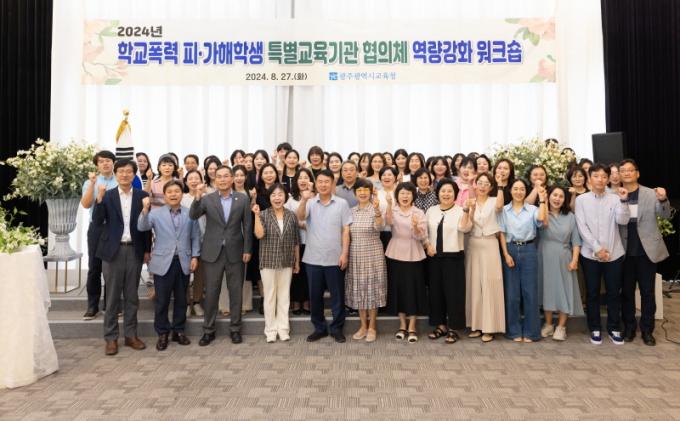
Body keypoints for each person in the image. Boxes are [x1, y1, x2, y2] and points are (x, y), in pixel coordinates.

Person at [93, 159, 151, 356]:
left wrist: (147, 250)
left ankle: (131, 335)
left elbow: (146, 226)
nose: (125, 175)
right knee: (112, 297)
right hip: (113, 251)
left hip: (134, 250)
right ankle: (111, 338)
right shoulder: (107, 195)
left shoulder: (142, 196)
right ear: (116, 174)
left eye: (128, 171)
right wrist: (99, 199)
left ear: (134, 175)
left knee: (132, 296)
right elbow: (97, 221)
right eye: (121, 171)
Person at [189, 165, 253, 345]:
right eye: (219, 176)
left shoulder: (242, 199)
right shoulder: (207, 199)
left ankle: (235, 329)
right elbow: (193, 215)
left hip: (236, 252)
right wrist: (197, 196)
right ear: (215, 179)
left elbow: (247, 226)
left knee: (236, 292)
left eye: (226, 176)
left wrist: (247, 249)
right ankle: (208, 330)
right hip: (212, 253)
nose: (223, 179)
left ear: (232, 179)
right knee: (211, 292)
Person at [138, 181, 200, 350]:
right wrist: (145, 209)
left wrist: (195, 256)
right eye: (170, 192)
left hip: (183, 261)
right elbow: (142, 226)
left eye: (177, 191)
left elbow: (195, 236)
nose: (173, 194)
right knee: (162, 300)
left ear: (182, 194)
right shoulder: (155, 213)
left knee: (181, 300)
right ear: (164, 195)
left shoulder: (190, 213)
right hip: (162, 262)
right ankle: (162, 333)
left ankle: (178, 331)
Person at [575, 163, 630, 345]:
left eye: (604, 176)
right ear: (589, 178)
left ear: (608, 179)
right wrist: (598, 248)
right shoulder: (581, 200)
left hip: (614, 254)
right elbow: (582, 227)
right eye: (596, 176)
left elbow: (623, 220)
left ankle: (614, 327)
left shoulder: (615, 198)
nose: (600, 179)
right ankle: (595, 327)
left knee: (614, 292)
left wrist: (624, 201)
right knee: (592, 293)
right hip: (590, 254)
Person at [619, 159, 671, 346]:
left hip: (646, 252)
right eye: (623, 170)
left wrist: (663, 199)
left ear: (637, 173)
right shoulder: (615, 194)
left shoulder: (650, 193)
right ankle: (629, 328)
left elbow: (665, 215)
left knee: (648, 293)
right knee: (626, 293)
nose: (626, 173)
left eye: (630, 170)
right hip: (624, 252)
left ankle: (647, 330)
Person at [296, 169, 352, 343]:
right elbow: (300, 217)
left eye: (326, 181)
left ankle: (336, 329)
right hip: (313, 258)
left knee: (337, 296)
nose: (323, 184)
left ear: (332, 183)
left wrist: (345, 253)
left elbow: (346, 230)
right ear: (316, 183)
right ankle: (319, 328)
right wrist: (304, 199)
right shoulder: (310, 202)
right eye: (320, 181)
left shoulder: (342, 203)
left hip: (335, 258)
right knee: (315, 296)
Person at [424, 179, 472, 344]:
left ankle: (454, 328)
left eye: (450, 191)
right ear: (438, 193)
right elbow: (424, 231)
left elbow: (465, 228)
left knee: (454, 293)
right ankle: (440, 325)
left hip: (454, 257)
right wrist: (427, 245)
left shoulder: (460, 210)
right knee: (435, 292)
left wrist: (466, 210)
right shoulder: (431, 211)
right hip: (434, 257)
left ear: (455, 194)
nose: (446, 194)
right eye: (443, 191)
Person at [499, 178, 547, 343]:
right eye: (515, 188)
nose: (518, 192)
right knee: (512, 294)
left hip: (529, 250)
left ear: (526, 192)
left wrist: (542, 198)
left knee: (530, 293)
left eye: (522, 189)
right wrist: (506, 254)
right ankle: (513, 331)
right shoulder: (504, 210)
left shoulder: (533, 209)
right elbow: (501, 233)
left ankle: (531, 332)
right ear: (510, 191)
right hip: (511, 249)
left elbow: (541, 219)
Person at [253, 184, 300, 342]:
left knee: (284, 296)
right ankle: (270, 330)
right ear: (269, 197)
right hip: (268, 261)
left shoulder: (291, 215)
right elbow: (259, 235)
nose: (277, 198)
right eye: (273, 195)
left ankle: (283, 329)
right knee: (270, 296)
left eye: (280, 194)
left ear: (285, 196)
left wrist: (297, 261)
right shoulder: (263, 214)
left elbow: (295, 240)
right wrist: (256, 216)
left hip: (287, 260)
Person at [345, 178, 388, 343]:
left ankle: (372, 326)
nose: (362, 193)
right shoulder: (351, 211)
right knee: (359, 290)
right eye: (359, 190)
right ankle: (363, 326)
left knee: (372, 289)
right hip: (355, 254)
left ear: (371, 192)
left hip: (373, 254)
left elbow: (380, 227)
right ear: (355, 193)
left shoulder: (376, 208)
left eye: (365, 190)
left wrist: (377, 210)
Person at [384, 182, 428, 343]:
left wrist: (415, 227)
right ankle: (402, 324)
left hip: (413, 252)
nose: (405, 196)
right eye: (402, 193)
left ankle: (412, 326)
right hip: (395, 252)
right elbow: (388, 222)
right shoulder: (393, 210)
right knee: (398, 290)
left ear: (413, 196)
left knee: (413, 290)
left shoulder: (419, 212)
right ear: (397, 195)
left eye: (408, 193)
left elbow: (421, 236)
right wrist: (389, 205)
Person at [538, 186, 583, 341]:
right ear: (549, 196)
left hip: (564, 256)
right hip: (544, 255)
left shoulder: (570, 217)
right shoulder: (541, 212)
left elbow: (576, 241)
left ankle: (561, 327)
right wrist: (543, 203)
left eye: (561, 196)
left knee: (564, 290)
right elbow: (541, 225)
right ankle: (548, 324)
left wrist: (575, 260)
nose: (557, 199)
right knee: (547, 289)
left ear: (565, 200)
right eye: (554, 195)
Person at [466, 173, 505, 342]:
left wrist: (500, 185)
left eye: (486, 183)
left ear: (491, 187)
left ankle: (490, 328)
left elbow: (500, 207)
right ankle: (476, 325)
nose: (482, 186)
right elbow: (467, 222)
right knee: (474, 284)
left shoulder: (494, 200)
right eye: (480, 183)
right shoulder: (471, 202)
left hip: (490, 243)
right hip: (474, 244)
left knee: (490, 284)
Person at [81, 150, 118, 320]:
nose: (105, 163)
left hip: (114, 228)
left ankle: (111, 305)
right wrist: (92, 184)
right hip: (96, 228)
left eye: (108, 160)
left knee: (112, 269)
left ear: (113, 163)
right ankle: (92, 306)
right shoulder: (90, 182)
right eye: (101, 161)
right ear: (97, 165)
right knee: (94, 267)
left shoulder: (120, 180)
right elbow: (86, 205)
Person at [285, 168, 315, 315]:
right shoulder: (291, 199)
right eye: (300, 178)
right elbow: (286, 217)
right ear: (296, 181)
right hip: (296, 241)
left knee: (309, 273)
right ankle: (296, 302)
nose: (303, 180)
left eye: (306, 177)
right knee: (297, 272)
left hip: (312, 241)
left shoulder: (316, 197)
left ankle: (308, 302)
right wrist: (300, 224)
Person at [182, 170, 207, 318]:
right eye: (190, 178)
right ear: (186, 182)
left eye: (196, 178)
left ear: (201, 181)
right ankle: (186, 303)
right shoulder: (182, 197)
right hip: (185, 240)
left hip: (203, 238)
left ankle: (197, 301)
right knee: (185, 272)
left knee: (200, 273)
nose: (193, 181)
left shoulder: (207, 198)